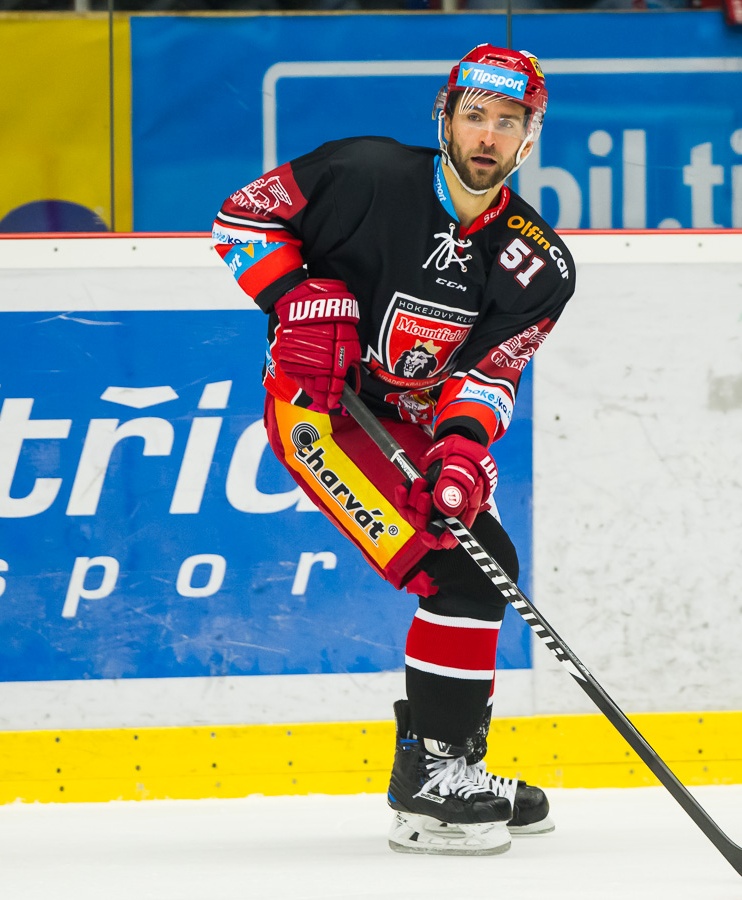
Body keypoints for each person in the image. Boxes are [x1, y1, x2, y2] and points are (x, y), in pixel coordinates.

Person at [211, 44, 576, 856]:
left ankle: (453, 765)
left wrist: (461, 450)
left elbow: (487, 375)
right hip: (319, 412)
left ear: (530, 136)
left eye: (507, 121)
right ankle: (429, 784)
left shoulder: (537, 265)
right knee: (458, 568)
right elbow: (241, 218)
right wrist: (295, 294)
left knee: (485, 559)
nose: (487, 135)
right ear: (444, 117)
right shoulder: (363, 173)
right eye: (474, 115)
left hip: (408, 423)